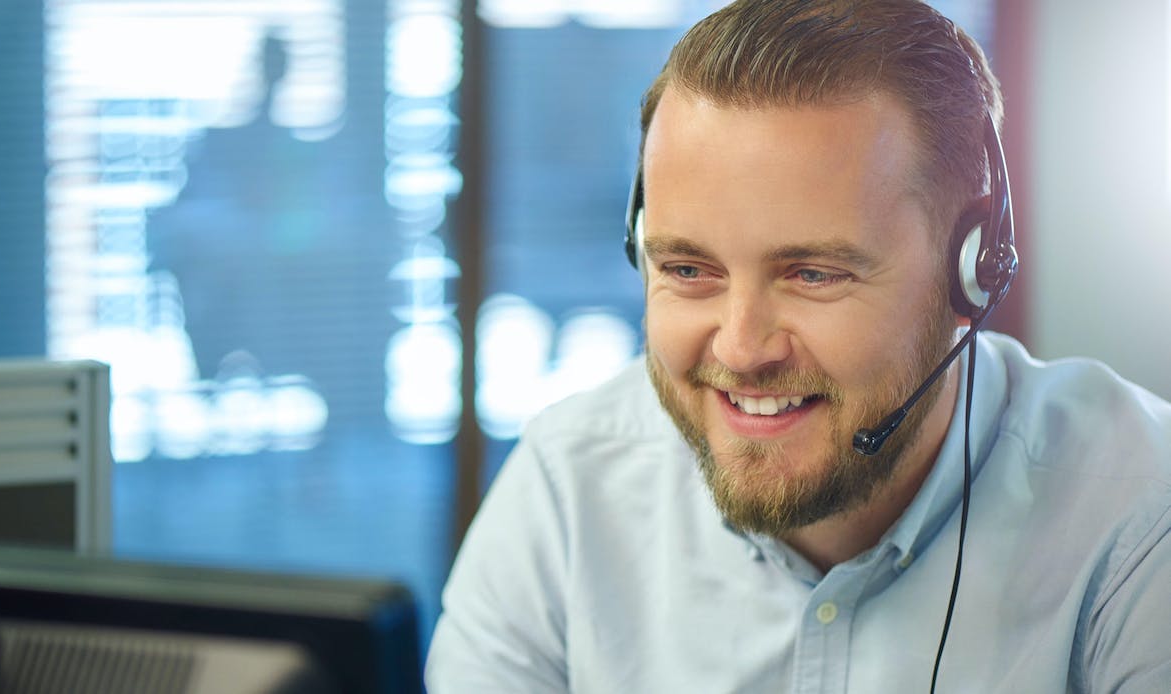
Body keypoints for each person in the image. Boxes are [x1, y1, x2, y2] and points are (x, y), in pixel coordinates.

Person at [426, 1, 1171, 691]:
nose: (743, 348)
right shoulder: (567, 494)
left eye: (813, 273)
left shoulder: (1137, 519)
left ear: (971, 271)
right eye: (688, 270)